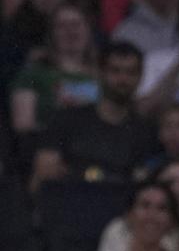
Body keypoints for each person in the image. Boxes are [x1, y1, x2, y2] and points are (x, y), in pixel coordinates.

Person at [31, 39, 156, 189]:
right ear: (100, 73)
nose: (123, 79)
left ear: (141, 76)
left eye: (131, 72)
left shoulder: (145, 131)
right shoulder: (67, 120)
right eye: (115, 71)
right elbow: (44, 177)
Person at [10, 2, 100, 136]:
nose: (70, 31)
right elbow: (23, 125)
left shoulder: (104, 74)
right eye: (62, 26)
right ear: (51, 33)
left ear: (87, 29)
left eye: (76, 24)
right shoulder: (34, 74)